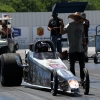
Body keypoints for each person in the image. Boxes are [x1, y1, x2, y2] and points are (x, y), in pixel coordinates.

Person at [60, 12, 86, 83]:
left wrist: (85, 44)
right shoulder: (70, 25)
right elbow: (62, 32)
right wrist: (61, 25)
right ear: (73, 18)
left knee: (82, 65)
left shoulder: (81, 26)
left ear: (80, 18)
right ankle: (73, 80)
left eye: (78, 17)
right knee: (72, 66)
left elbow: (83, 37)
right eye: (75, 17)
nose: (76, 18)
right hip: (72, 49)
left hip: (80, 48)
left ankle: (82, 79)